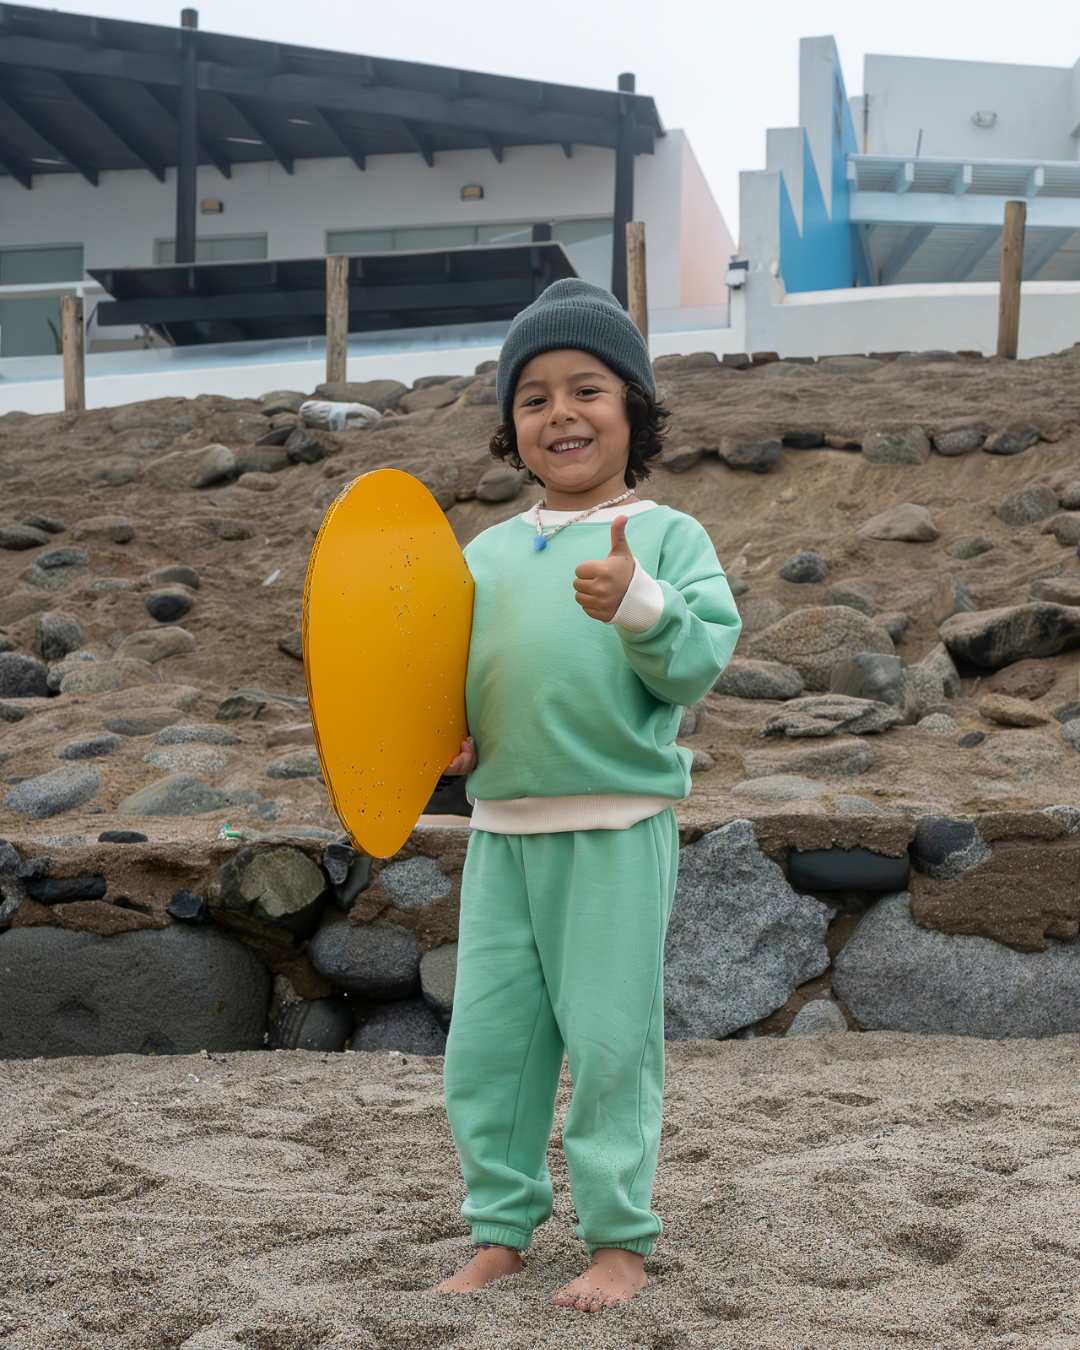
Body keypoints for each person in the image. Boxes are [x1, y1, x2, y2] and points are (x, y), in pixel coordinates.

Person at [430, 279, 741, 1314]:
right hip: (503, 834)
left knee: (611, 1043)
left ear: (635, 412)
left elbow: (694, 664)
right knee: (490, 1045)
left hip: (615, 827)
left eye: (587, 390)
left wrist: (640, 605)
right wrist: (445, 741)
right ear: (509, 427)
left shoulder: (666, 538)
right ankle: (501, 1229)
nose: (560, 413)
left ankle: (617, 1240)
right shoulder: (481, 556)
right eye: (533, 398)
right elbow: (448, 688)